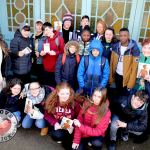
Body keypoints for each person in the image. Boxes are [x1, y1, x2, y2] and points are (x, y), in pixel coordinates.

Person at [44, 82, 80, 149]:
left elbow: (79, 117)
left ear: (70, 93)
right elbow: (47, 115)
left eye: (67, 93)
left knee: (72, 146)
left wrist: (73, 125)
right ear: (57, 93)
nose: (65, 96)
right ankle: (61, 137)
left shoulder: (74, 103)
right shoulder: (52, 102)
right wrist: (55, 123)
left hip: (70, 126)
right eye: (62, 93)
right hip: (59, 124)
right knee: (56, 135)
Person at [109, 28, 140, 96]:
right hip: (117, 74)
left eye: (125, 35)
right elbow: (112, 63)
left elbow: (134, 68)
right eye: (121, 35)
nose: (122, 37)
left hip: (127, 77)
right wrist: (111, 77)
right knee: (117, 93)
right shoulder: (116, 46)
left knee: (124, 95)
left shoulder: (133, 48)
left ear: (128, 36)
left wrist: (131, 82)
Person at [40, 22, 64, 87]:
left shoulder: (59, 39)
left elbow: (63, 52)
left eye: (47, 29)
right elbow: (43, 50)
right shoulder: (46, 40)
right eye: (44, 31)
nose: (45, 32)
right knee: (47, 86)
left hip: (55, 68)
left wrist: (55, 53)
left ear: (52, 29)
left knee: (54, 87)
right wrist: (42, 53)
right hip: (46, 68)